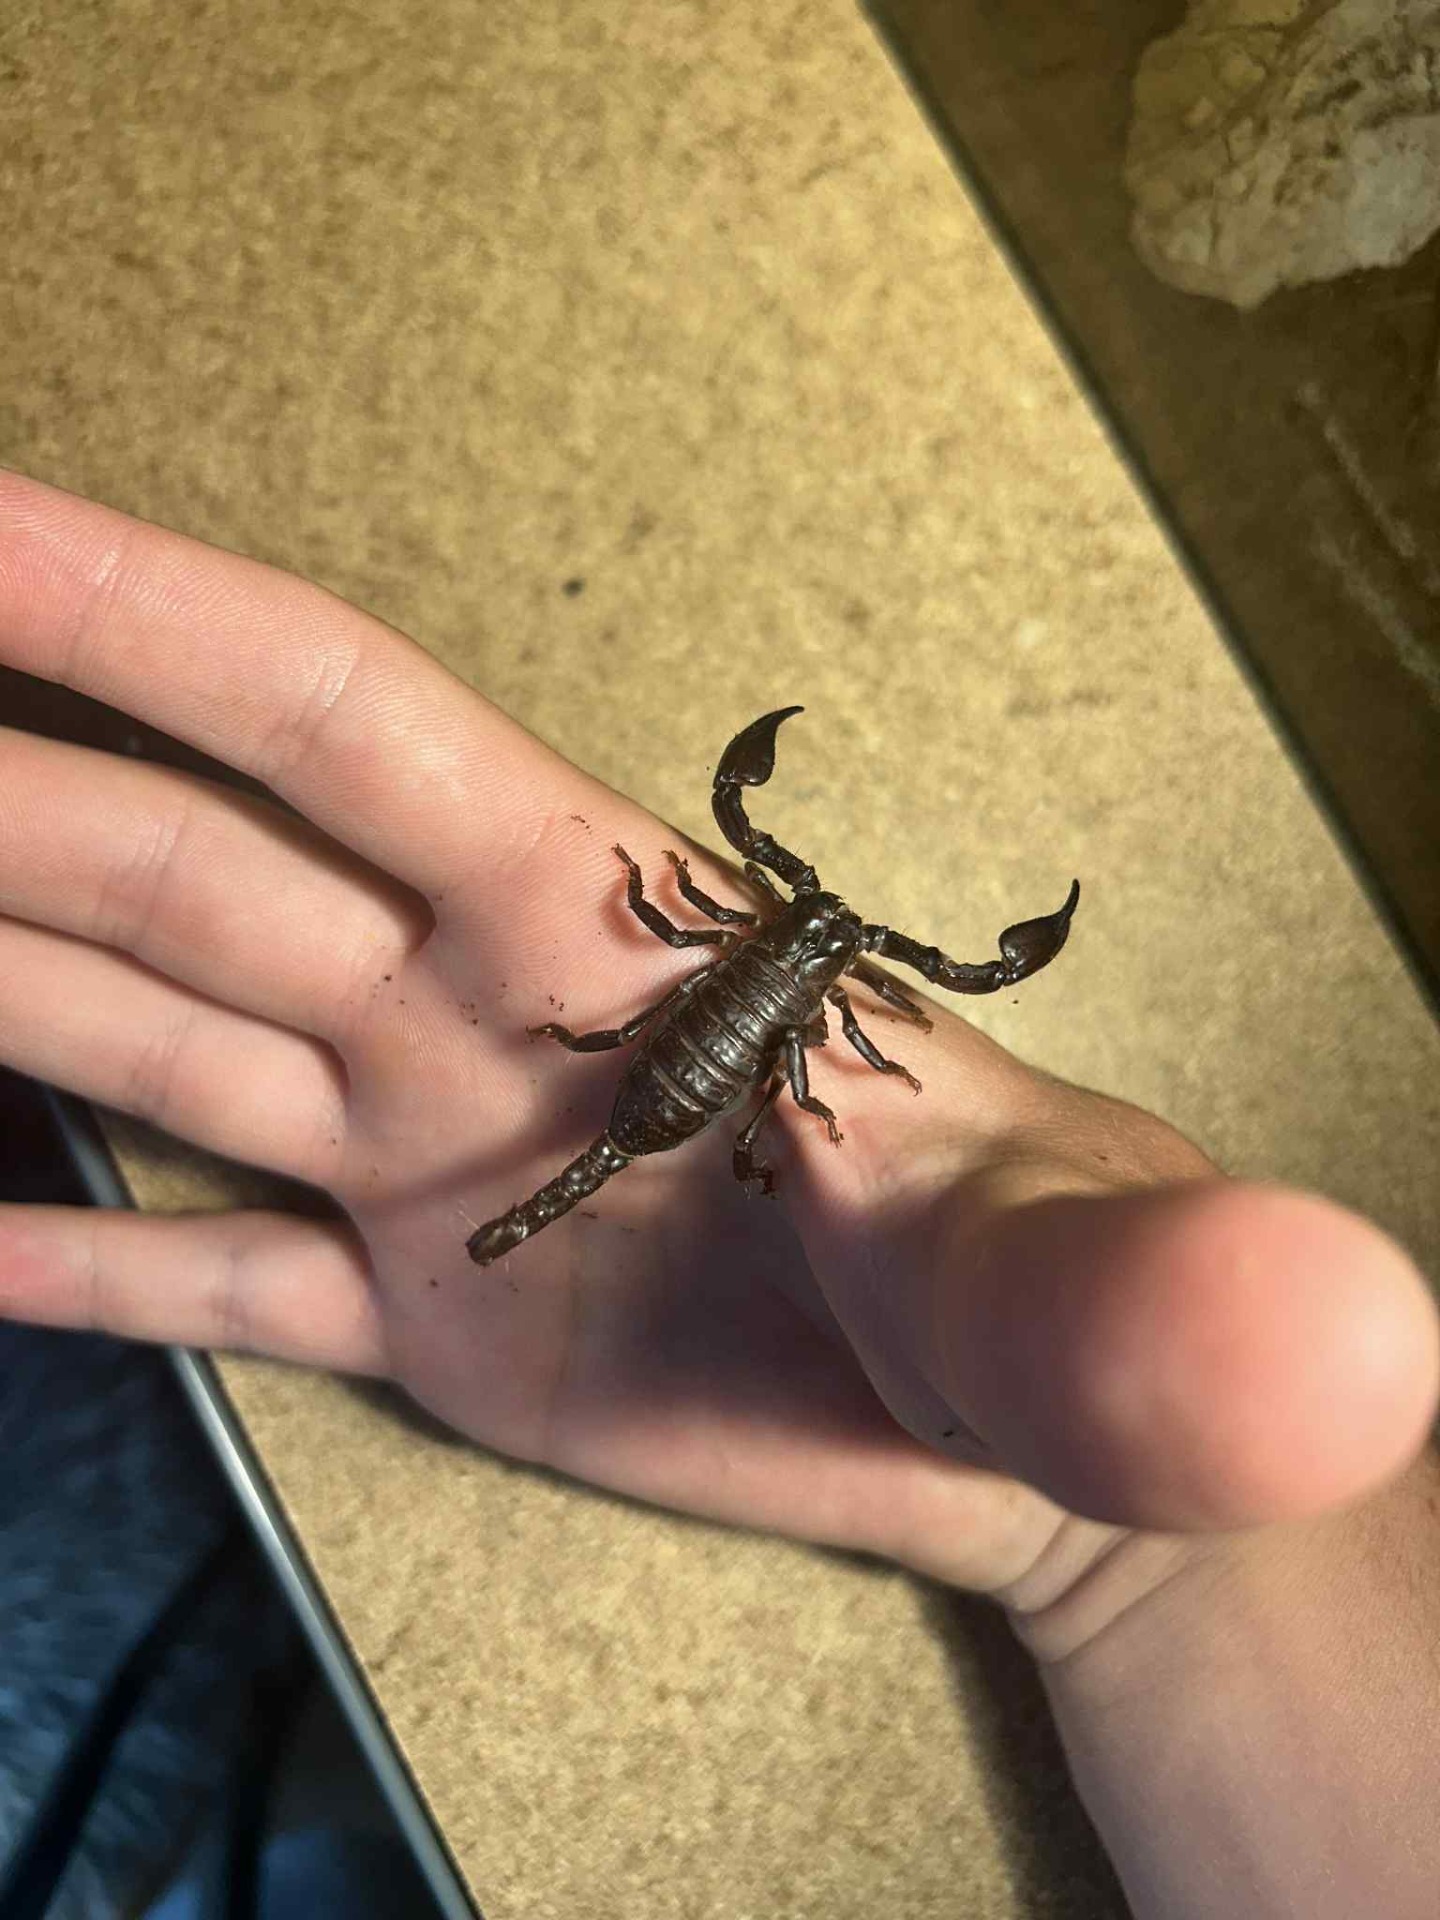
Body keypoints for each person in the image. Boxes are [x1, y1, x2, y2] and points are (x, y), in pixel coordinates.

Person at [1, 466, 1436, 1917]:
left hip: (676, 1074)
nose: (821, 928)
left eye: (823, 935)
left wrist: (1120, 1543)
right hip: (671, 1074)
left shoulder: (791, 952)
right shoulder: (816, 971)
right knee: (751, 1088)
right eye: (814, 925)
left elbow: (703, 898)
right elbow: (706, 925)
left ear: (817, 952)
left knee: (756, 1091)